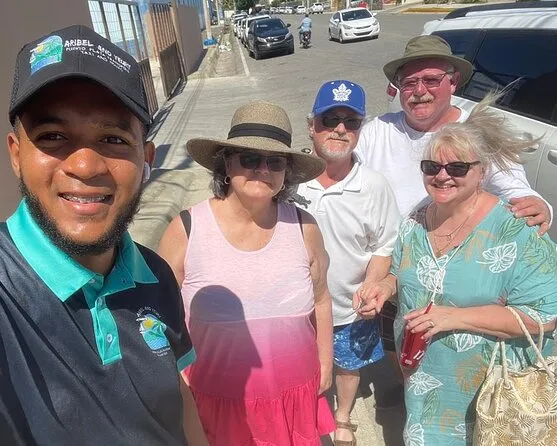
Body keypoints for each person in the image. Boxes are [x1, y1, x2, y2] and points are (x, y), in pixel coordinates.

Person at [0, 25, 207, 446]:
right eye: (53, 137)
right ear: (16, 154)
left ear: (145, 158)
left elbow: (177, 396)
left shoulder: (157, 276)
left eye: (113, 139)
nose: (86, 166)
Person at [354, 35, 553, 407]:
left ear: (453, 82)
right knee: (401, 340)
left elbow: (515, 186)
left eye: (431, 80)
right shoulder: (377, 131)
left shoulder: (475, 130)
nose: (420, 92)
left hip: (461, 270)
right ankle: (413, 390)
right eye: (409, 83)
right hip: (399, 264)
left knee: (464, 356)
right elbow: (344, 175)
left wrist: (538, 204)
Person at [158, 101, 336, 445]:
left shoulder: (305, 227)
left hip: (295, 399)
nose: (263, 170)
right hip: (217, 405)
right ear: (227, 163)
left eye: (275, 161)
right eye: (250, 159)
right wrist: (176, 377)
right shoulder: (187, 229)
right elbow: (157, 316)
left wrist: (325, 361)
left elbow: (322, 299)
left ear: (286, 171)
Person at [295, 81, 400, 446]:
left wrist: (373, 284)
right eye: (329, 119)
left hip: (349, 308)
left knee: (348, 366)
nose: (340, 129)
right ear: (311, 125)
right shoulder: (290, 179)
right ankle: (305, 411)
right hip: (298, 309)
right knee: (301, 366)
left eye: (351, 122)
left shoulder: (374, 186)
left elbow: (384, 245)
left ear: (359, 130)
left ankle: (342, 416)